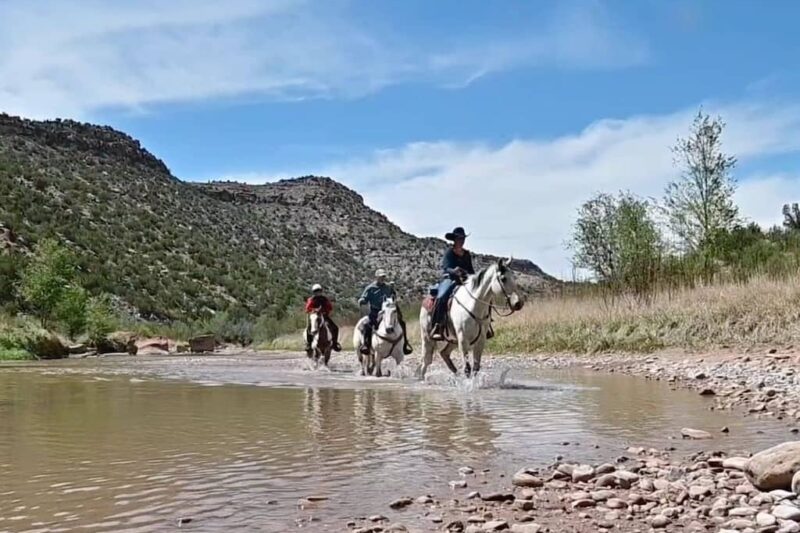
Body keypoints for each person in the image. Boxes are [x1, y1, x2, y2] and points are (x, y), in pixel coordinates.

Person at [430, 227, 475, 340]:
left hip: (465, 280)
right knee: (442, 296)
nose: (461, 240)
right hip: (450, 279)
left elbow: (471, 270)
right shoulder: (449, 252)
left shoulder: (467, 254)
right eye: (459, 238)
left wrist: (471, 276)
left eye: (463, 238)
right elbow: (446, 268)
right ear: (454, 239)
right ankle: (438, 326)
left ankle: (485, 324)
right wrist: (454, 270)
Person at [358, 269, 413, 356]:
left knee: (402, 323)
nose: (382, 278)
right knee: (367, 325)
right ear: (376, 277)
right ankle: (366, 345)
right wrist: (362, 300)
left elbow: (393, 296)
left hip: (388, 311)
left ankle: (405, 344)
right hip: (375, 311)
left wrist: (393, 291)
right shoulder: (370, 288)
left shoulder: (388, 287)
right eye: (380, 277)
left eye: (383, 277)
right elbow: (364, 297)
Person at [304, 284, 342, 355]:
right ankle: (309, 344)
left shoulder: (325, 299)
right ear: (314, 292)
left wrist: (324, 310)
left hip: (324, 316)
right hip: (314, 316)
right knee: (308, 328)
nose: (318, 293)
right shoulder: (311, 299)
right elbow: (307, 308)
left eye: (319, 291)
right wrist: (314, 310)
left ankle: (334, 343)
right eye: (316, 291)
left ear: (321, 291)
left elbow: (330, 307)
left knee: (335, 328)